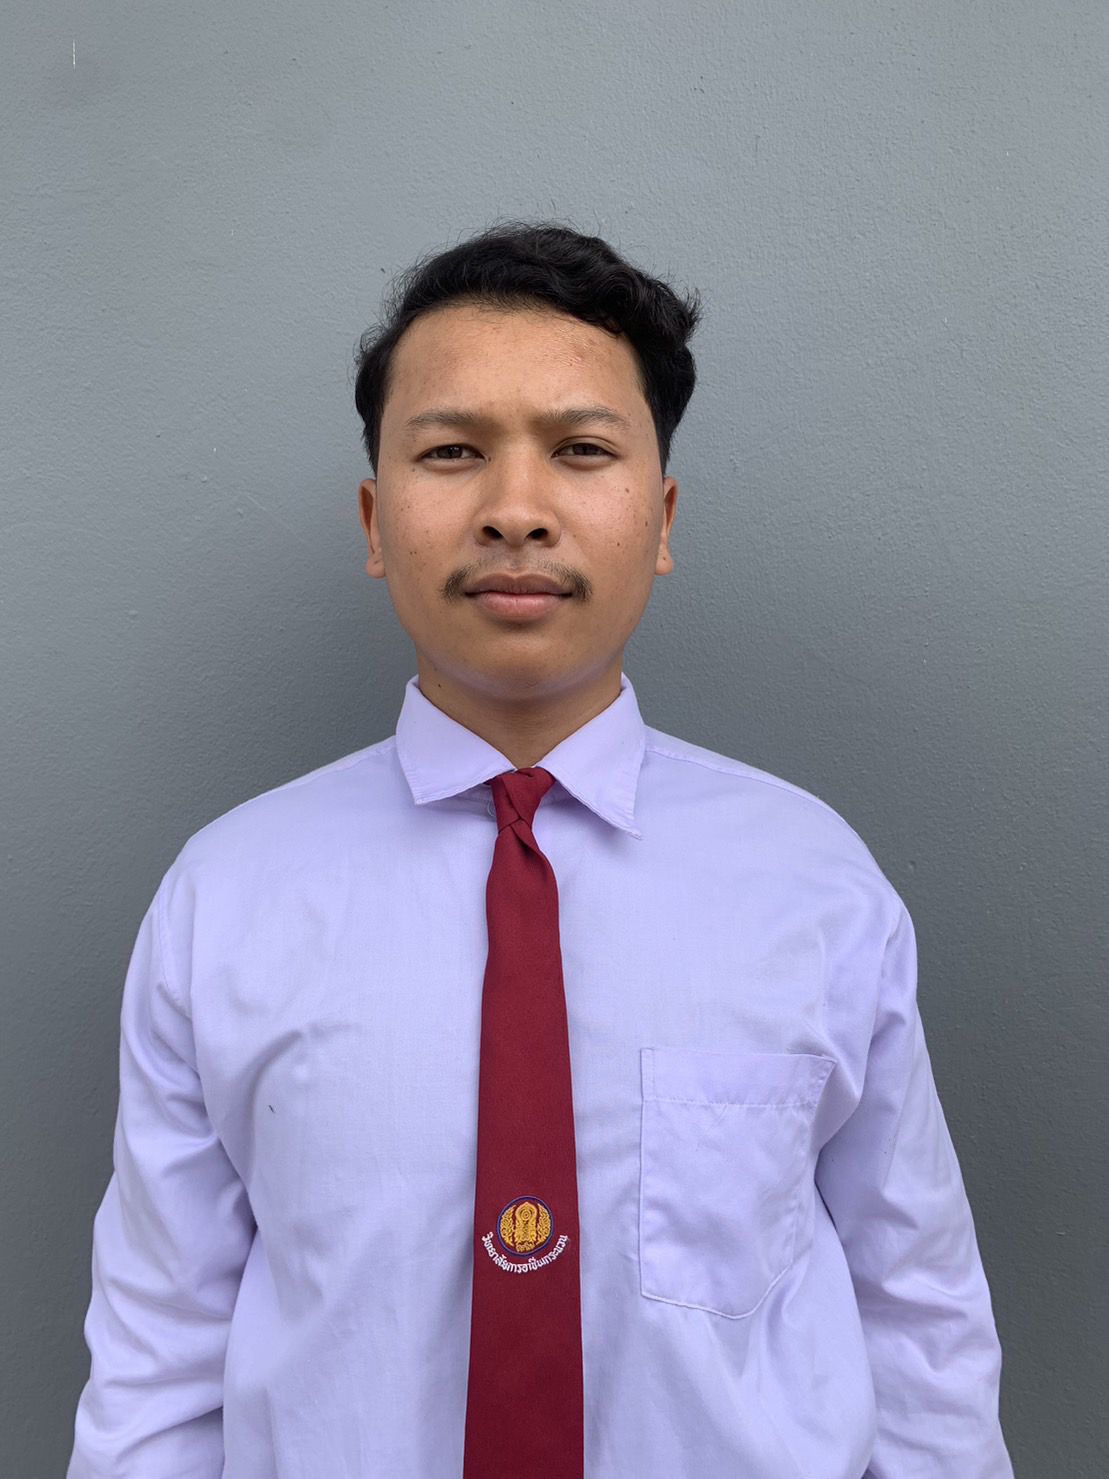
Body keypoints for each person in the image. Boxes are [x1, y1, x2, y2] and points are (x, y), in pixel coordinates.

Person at [67, 221, 1014, 1478]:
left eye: (580, 451)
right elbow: (157, 1361)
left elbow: (918, 1318)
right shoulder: (227, 898)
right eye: (451, 452)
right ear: (373, 520)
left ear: (659, 516)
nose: (514, 511)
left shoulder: (813, 884)